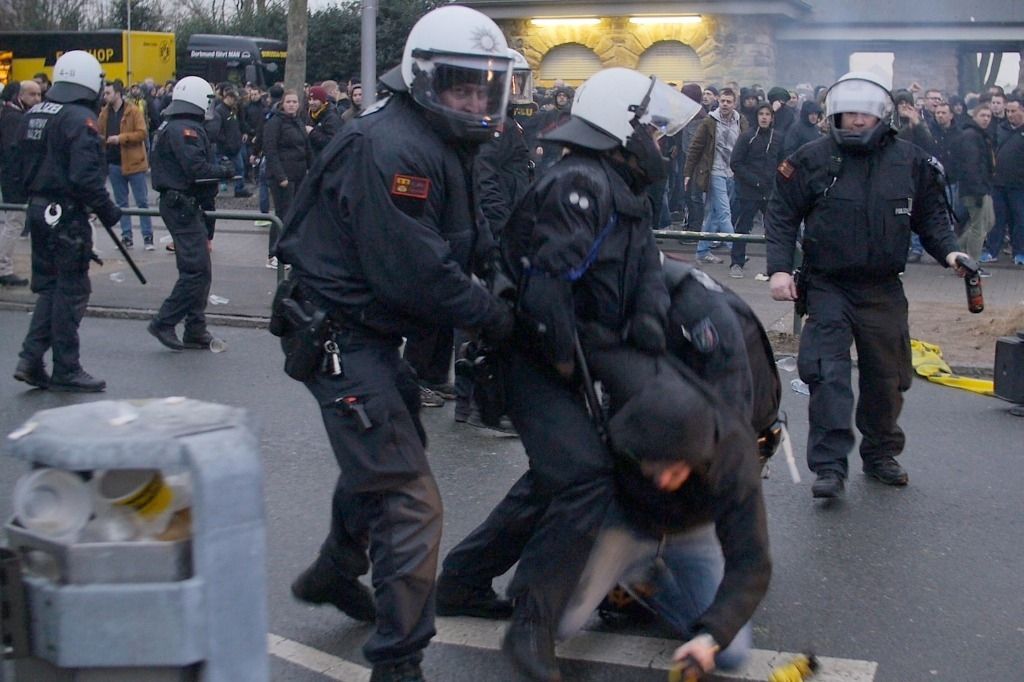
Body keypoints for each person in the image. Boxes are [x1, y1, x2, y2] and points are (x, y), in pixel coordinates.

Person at [272, 7, 515, 681]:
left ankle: (332, 569)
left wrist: (508, 282)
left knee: (389, 444)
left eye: (483, 87)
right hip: (341, 333)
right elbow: (419, 272)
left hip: (369, 332)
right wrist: (494, 318)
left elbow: (470, 242)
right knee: (409, 498)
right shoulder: (393, 147)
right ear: (424, 79)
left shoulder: (445, 143)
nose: (473, 99)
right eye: (461, 86)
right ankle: (398, 663)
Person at [437, 67, 698, 682]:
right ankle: (533, 623)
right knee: (584, 479)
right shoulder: (579, 182)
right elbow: (547, 288)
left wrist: (652, 327)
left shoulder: (622, 185)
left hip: (580, 352)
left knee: (557, 476)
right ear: (619, 128)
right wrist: (566, 367)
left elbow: (646, 274)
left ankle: (463, 580)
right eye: (652, 130)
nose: (659, 142)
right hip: (534, 352)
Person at [765, 72, 968, 499]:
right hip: (827, 286)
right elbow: (782, 214)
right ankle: (829, 468)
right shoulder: (811, 159)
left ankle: (880, 456)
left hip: (882, 288)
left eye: (863, 114)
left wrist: (950, 253)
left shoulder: (911, 161)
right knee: (828, 377)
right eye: (846, 114)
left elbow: (932, 218)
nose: (855, 122)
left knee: (887, 378)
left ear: (880, 116)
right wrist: (780, 269)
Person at [12, 51, 122, 392]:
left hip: (39, 209)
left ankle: (30, 360)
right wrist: (108, 210)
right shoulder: (79, 119)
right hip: (66, 214)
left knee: (51, 289)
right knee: (71, 291)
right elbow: (86, 176)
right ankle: (66, 367)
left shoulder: (34, 114)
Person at [146, 77, 235, 352]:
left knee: (200, 269)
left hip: (181, 203)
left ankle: (195, 328)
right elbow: (196, 168)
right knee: (195, 270)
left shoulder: (173, 125)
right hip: (181, 204)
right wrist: (224, 171)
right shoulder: (185, 129)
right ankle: (165, 321)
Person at [684, 87, 747, 264]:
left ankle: (702, 251)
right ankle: (736, 251)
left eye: (729, 101)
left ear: (734, 103)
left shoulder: (740, 121)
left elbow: (746, 145)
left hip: (732, 174)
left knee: (712, 213)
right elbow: (695, 147)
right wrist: (687, 173)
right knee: (724, 213)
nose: (725, 104)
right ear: (718, 101)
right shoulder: (710, 121)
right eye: (723, 101)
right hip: (715, 172)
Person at [728, 103, 784, 279]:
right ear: (757, 116)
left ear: (772, 117)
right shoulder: (747, 137)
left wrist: (780, 182)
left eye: (768, 114)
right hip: (749, 191)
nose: (764, 117)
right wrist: (754, 181)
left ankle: (776, 266)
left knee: (774, 229)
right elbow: (735, 162)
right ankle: (737, 262)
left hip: (771, 191)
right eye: (761, 114)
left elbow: (784, 162)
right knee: (743, 227)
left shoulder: (778, 137)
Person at [98, 80, 154, 250]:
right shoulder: (104, 113)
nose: (105, 96)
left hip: (134, 162)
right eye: (104, 93)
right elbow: (99, 133)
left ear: (117, 93)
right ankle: (126, 236)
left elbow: (142, 133)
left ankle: (147, 237)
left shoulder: (133, 111)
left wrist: (120, 138)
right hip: (114, 163)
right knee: (121, 203)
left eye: (108, 93)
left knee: (142, 202)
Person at [262, 89, 312, 269]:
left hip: (299, 175)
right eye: (289, 102)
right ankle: (273, 254)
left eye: (295, 102)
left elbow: (306, 149)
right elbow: (270, 150)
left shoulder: (298, 121)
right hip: (283, 177)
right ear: (283, 103)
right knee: (282, 215)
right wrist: (280, 176)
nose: (292, 105)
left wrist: (312, 170)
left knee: (294, 215)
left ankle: (289, 251)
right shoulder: (275, 122)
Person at [0, 80, 42, 286]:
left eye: (38, 95)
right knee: (14, 222)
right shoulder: (13, 118)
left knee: (15, 222)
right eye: (32, 95)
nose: (37, 99)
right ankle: (3, 267)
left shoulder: (11, 116)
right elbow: (13, 152)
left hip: (13, 179)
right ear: (20, 96)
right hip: (15, 181)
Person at [306, 85, 343, 156]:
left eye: (315, 100)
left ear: (322, 101)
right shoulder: (311, 115)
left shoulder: (332, 117)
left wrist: (312, 133)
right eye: (309, 99)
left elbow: (333, 142)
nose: (311, 102)